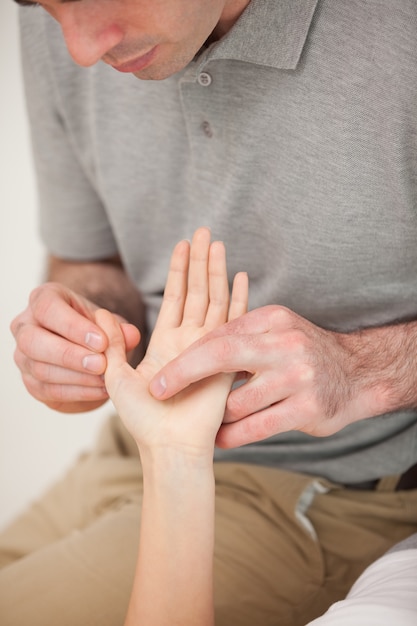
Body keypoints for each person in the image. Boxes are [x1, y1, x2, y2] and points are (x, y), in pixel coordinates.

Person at [1, 0, 417, 624]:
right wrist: (77, 333)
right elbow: (87, 263)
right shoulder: (63, 33)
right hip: (131, 450)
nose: (82, 50)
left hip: (330, 493)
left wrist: (364, 369)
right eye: (40, 4)